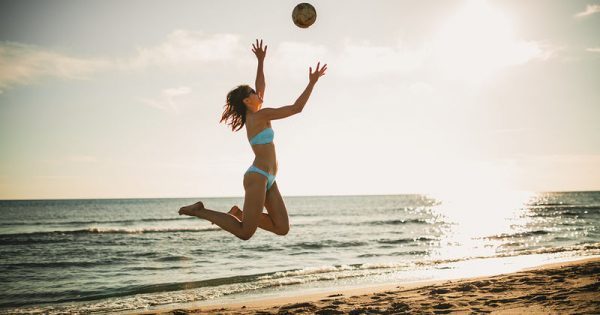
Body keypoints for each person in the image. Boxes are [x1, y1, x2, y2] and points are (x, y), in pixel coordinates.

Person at [178, 39, 327, 240]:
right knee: (245, 232)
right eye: (254, 94)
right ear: (248, 101)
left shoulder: (256, 113)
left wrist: (260, 61)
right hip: (257, 176)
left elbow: (261, 85)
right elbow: (295, 109)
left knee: (282, 228)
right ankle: (199, 210)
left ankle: (240, 214)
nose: (259, 94)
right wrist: (312, 83)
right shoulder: (259, 116)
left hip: (269, 178)